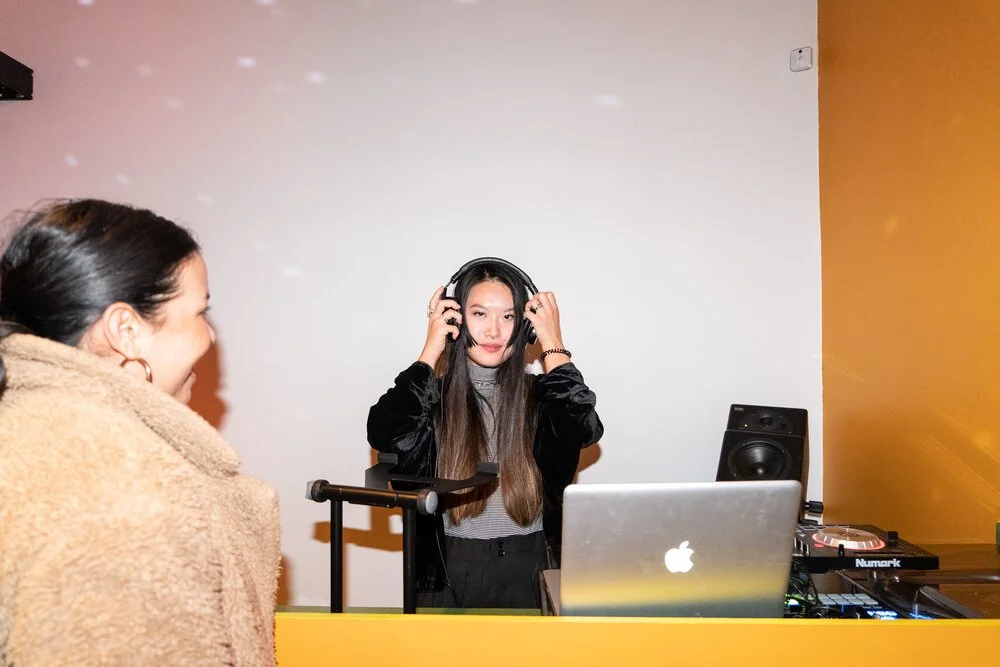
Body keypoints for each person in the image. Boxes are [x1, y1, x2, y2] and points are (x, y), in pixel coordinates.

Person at [0, 199, 280, 666]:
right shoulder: (125, 492)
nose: (210, 336)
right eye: (200, 312)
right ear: (125, 329)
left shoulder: (34, 431)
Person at [367, 257, 603, 609]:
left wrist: (553, 343)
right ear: (455, 319)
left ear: (525, 327)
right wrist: (432, 348)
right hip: (448, 572)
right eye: (479, 314)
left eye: (508, 317)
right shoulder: (430, 399)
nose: (494, 331)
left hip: (534, 565)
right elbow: (385, 432)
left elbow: (581, 427)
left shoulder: (544, 398)